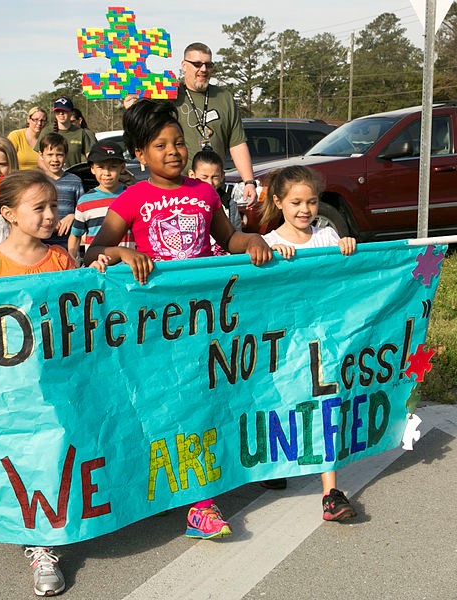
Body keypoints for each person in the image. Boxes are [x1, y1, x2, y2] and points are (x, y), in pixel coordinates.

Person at [84, 99, 273, 539]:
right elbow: (93, 252)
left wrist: (254, 241)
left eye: (178, 142)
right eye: (160, 145)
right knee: (159, 407)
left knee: (195, 405)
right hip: (151, 328)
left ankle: (200, 503)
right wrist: (121, 251)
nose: (173, 151)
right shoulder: (132, 198)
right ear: (140, 154)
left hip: (202, 324)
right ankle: (160, 487)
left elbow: (230, 240)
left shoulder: (205, 193)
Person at [0, 170, 107, 597]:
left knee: (51, 455)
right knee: (17, 458)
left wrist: (95, 276)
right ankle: (34, 535)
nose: (51, 216)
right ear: (8, 213)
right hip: (5, 386)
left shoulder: (62, 259)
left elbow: (81, 316)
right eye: (39, 208)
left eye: (54, 207)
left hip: (53, 384)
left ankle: (45, 544)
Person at [258, 164, 358, 522]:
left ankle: (331, 492)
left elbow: (346, 279)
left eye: (312, 202)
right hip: (285, 343)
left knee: (325, 405)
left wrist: (347, 248)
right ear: (278, 202)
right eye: (296, 202)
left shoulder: (328, 239)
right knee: (283, 400)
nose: (305, 210)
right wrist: (272, 263)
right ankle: (278, 465)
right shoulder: (268, 244)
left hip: (324, 339)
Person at [174, 42, 258, 205]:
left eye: (208, 65)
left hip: (215, 189)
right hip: (179, 188)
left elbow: (237, 143)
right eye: (197, 64)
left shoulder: (223, 97)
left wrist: (249, 181)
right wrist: (132, 107)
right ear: (184, 66)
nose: (203, 69)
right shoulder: (170, 95)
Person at [67, 141, 134, 262]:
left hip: (129, 267)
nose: (106, 173)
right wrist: (72, 260)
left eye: (113, 167)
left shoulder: (133, 196)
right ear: (92, 169)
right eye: (100, 167)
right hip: (98, 268)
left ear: (122, 167)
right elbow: (75, 235)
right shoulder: (84, 202)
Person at [39, 132, 83, 249]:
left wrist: (72, 216)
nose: (55, 159)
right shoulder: (36, 182)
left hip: (68, 245)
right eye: (50, 154)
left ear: (66, 155)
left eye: (59, 155)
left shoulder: (75, 181)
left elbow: (82, 210)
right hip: (41, 245)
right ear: (41, 155)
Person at [188, 149, 231, 255]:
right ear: (192, 175)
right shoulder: (185, 203)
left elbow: (234, 233)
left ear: (222, 176)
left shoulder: (228, 203)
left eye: (215, 177)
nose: (209, 182)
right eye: (204, 177)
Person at [37, 97, 96, 169]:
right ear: (55, 113)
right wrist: (50, 174)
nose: (61, 113)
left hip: (73, 176)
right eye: (58, 111)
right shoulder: (46, 131)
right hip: (51, 177)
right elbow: (40, 159)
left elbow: (91, 158)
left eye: (64, 111)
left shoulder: (81, 133)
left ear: (71, 112)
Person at [7, 106, 47, 171]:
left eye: (42, 120)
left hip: (41, 179)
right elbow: (6, 161)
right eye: (35, 120)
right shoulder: (15, 136)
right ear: (28, 119)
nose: (39, 123)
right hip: (19, 178)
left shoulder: (46, 139)